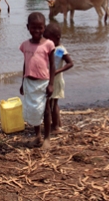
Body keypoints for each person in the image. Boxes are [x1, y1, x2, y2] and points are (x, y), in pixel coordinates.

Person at [19, 12, 55, 149]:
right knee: (34, 110)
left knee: (45, 110)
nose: (37, 31)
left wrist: (51, 84)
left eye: (40, 28)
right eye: (33, 28)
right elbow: (25, 63)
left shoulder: (48, 45)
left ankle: (47, 138)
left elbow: (52, 65)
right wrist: (22, 82)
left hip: (43, 82)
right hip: (29, 82)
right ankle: (37, 136)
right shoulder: (25, 45)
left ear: (44, 28)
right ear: (28, 27)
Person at [43, 23, 74, 134]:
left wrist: (57, 71)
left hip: (56, 81)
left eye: (48, 38)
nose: (45, 40)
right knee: (51, 103)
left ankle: (55, 127)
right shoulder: (51, 48)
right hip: (49, 80)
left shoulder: (60, 50)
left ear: (56, 38)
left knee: (53, 104)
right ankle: (57, 123)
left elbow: (70, 63)